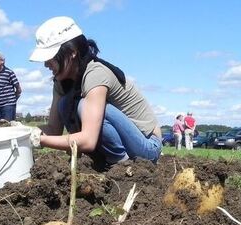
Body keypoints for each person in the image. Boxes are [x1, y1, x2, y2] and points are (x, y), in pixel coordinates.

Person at [28, 16, 162, 166]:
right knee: (65, 103)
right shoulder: (61, 83)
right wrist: (21, 133)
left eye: (50, 57)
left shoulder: (95, 75)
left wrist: (41, 140)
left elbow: (88, 140)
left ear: (72, 52)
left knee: (82, 105)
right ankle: (107, 159)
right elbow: (53, 129)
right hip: (126, 143)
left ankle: (121, 164)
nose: (46, 64)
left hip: (148, 147)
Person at [0, 51, 22, 124]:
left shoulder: (9, 73)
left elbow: (19, 89)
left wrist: (13, 100)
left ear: (2, 61)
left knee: (7, 127)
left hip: (8, 106)